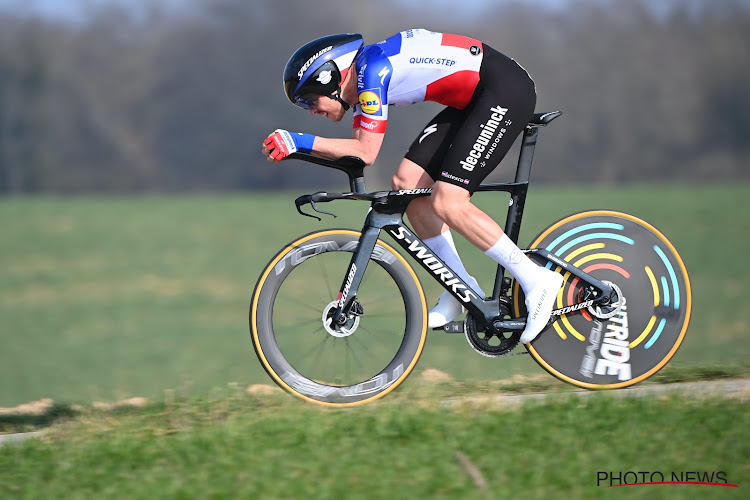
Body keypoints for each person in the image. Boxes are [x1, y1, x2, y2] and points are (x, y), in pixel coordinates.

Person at [262, 29, 563, 344]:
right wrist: (299, 148)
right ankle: (458, 288)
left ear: (330, 80)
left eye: (309, 100)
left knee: (449, 202)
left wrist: (298, 141)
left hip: (504, 91)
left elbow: (365, 152)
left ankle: (536, 280)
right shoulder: (366, 74)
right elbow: (358, 151)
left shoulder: (371, 72)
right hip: (476, 100)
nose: (311, 110)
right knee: (407, 185)